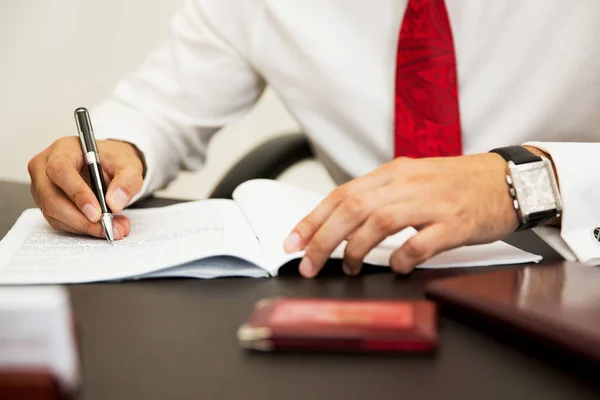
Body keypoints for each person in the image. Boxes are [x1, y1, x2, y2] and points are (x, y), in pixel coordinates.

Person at [27, 0, 600, 278]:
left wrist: (527, 182)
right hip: (368, 277)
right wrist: (114, 152)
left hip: (573, 270)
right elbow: (159, 109)